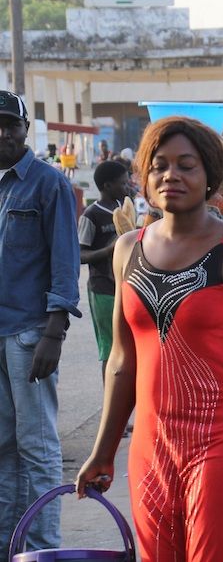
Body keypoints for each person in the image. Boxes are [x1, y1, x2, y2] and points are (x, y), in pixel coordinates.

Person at [75, 116, 223, 561]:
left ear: (209, 175)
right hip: (151, 445)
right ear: (144, 178)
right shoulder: (127, 250)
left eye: (186, 165)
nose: (171, 175)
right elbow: (122, 363)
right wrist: (102, 451)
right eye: (159, 166)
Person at [0, 90, 82, 552]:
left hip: (30, 334)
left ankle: (45, 548)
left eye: (10, 125)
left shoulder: (48, 183)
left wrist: (55, 331)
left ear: (26, 129)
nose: (2, 133)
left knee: (37, 446)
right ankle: (10, 546)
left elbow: (65, 263)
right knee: (3, 446)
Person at [78, 160, 130, 382]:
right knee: (110, 350)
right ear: (108, 186)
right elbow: (80, 255)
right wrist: (109, 249)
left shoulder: (124, 210)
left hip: (125, 287)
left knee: (127, 347)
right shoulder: (91, 215)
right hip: (103, 289)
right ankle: (110, 395)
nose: (128, 186)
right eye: (123, 183)